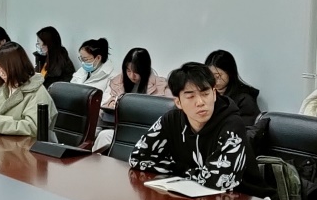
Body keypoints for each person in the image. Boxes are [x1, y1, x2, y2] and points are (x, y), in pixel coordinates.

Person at [129, 63, 249, 192]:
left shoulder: (232, 124)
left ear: (214, 94)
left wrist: (179, 171)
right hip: (190, 194)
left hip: (241, 197)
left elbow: (218, 180)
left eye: (205, 94)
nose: (200, 102)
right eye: (190, 96)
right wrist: (185, 171)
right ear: (178, 102)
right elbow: (137, 158)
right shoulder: (171, 120)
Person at [0, 42, 53, 137]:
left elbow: (34, 127)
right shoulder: (2, 88)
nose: (1, 74)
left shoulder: (37, 92)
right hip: (5, 141)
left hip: (26, 144)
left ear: (18, 66)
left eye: (4, 69)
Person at [205, 49, 260, 130]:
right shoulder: (207, 96)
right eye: (210, 76)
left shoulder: (244, 100)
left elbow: (246, 131)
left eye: (218, 76)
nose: (214, 80)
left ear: (230, 73)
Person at [104, 48, 170, 110]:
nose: (132, 76)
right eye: (128, 71)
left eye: (136, 72)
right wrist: (111, 104)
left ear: (145, 70)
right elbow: (106, 104)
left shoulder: (161, 86)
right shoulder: (117, 82)